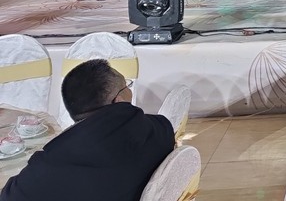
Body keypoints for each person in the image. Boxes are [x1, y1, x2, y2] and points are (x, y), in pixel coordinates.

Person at [0, 59, 174, 201]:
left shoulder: (49, 166)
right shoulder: (159, 131)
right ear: (118, 100)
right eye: (127, 85)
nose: (130, 90)